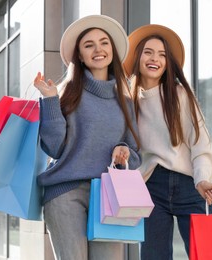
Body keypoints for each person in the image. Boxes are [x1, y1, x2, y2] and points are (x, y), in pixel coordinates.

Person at [33, 15, 141, 260]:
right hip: (65, 194)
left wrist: (123, 151)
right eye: (89, 45)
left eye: (104, 42)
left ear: (112, 50)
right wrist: (50, 100)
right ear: (79, 56)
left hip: (110, 197)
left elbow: (135, 155)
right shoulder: (66, 95)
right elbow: (54, 148)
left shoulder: (125, 103)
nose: (98, 49)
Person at [123, 24, 212, 259]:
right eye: (148, 52)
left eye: (162, 54)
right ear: (137, 57)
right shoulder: (127, 100)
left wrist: (203, 179)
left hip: (190, 185)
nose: (154, 58)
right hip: (151, 188)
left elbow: (200, 143)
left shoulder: (180, 96)